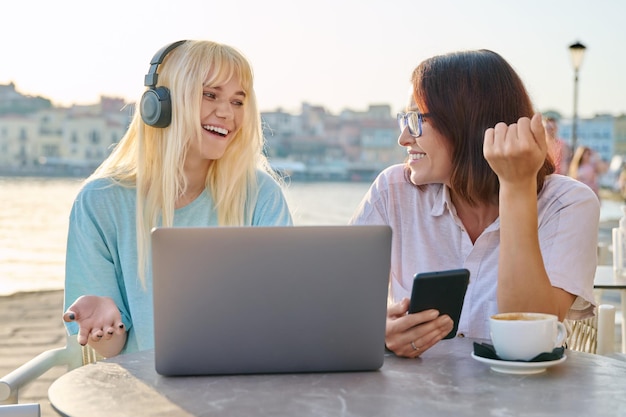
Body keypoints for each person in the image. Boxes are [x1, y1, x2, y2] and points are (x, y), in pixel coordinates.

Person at [350, 49, 600, 358]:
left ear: (467, 123)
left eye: (416, 120)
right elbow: (337, 309)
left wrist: (516, 186)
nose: (403, 138)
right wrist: (377, 332)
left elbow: (529, 340)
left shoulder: (567, 204)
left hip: (521, 404)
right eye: (404, 120)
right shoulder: (392, 191)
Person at [62, 40, 293, 357]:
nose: (226, 112)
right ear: (159, 105)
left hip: (244, 387)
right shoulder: (100, 201)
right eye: (209, 95)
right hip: (147, 396)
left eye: (238, 102)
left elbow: (283, 314)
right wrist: (104, 327)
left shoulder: (262, 194)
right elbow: (113, 349)